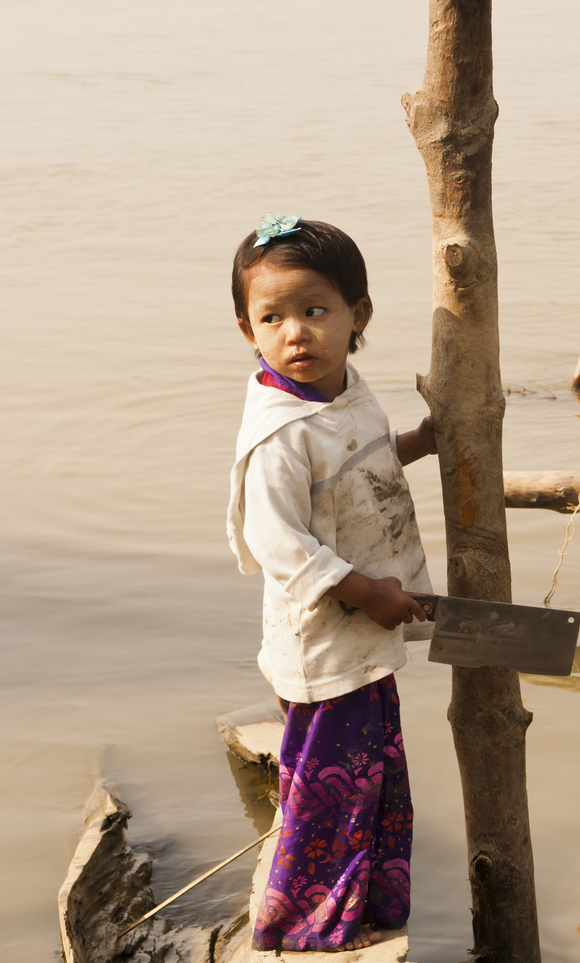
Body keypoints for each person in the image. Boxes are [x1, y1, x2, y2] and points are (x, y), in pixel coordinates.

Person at [225, 215, 436, 951]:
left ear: (359, 315)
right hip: (325, 643)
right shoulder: (281, 433)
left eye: (315, 311)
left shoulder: (343, 394)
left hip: (361, 634)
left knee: (371, 777)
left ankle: (373, 902)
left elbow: (360, 468)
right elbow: (276, 539)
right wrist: (370, 593)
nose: (296, 334)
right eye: (272, 318)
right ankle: (301, 928)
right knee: (330, 796)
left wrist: (424, 440)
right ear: (249, 330)